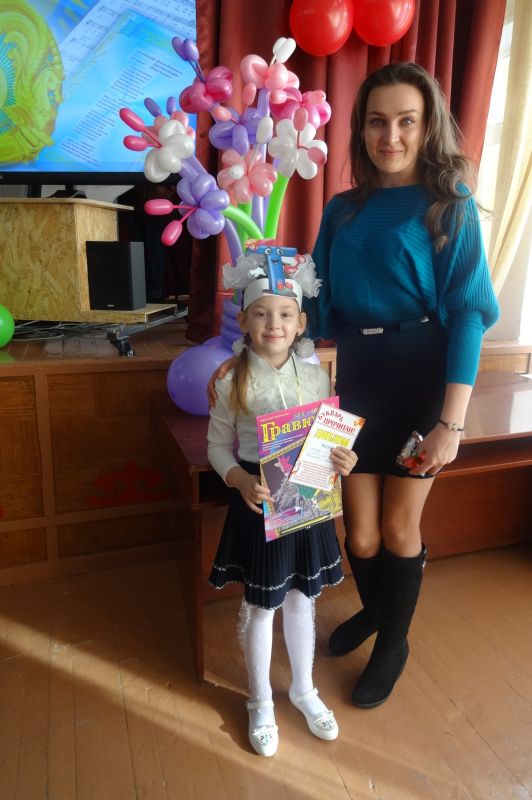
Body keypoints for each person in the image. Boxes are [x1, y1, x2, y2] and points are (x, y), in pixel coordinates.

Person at [302, 61, 500, 709]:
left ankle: (392, 642)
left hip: (422, 382)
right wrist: (260, 313)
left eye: (407, 122)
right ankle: (378, 610)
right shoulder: (341, 210)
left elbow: (468, 313)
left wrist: (451, 424)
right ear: (360, 130)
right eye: (378, 122)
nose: (391, 136)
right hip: (357, 379)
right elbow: (317, 306)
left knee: (395, 527)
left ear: (427, 127)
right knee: (358, 535)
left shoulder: (450, 204)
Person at [207, 249, 358, 757]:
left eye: (285, 314)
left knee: (301, 600)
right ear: (244, 321)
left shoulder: (317, 378)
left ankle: (303, 689)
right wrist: (237, 480)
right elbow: (216, 446)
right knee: (263, 605)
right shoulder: (231, 380)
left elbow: (329, 442)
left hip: (306, 504)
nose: (274, 324)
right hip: (259, 502)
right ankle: (260, 700)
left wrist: (343, 459)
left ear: (301, 324)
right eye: (262, 313)